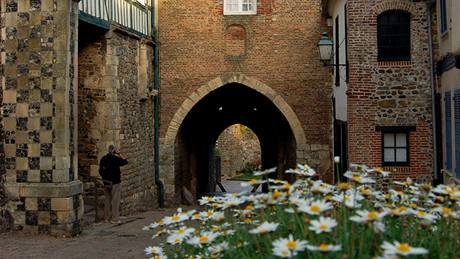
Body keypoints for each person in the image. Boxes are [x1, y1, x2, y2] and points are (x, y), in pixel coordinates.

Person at [99, 145, 128, 224]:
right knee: (115, 201)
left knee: (107, 200)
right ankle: (115, 219)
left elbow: (100, 170)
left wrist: (104, 177)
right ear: (114, 151)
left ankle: (106, 218)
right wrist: (119, 154)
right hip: (115, 182)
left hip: (106, 182)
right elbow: (125, 161)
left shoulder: (103, 159)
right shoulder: (115, 159)